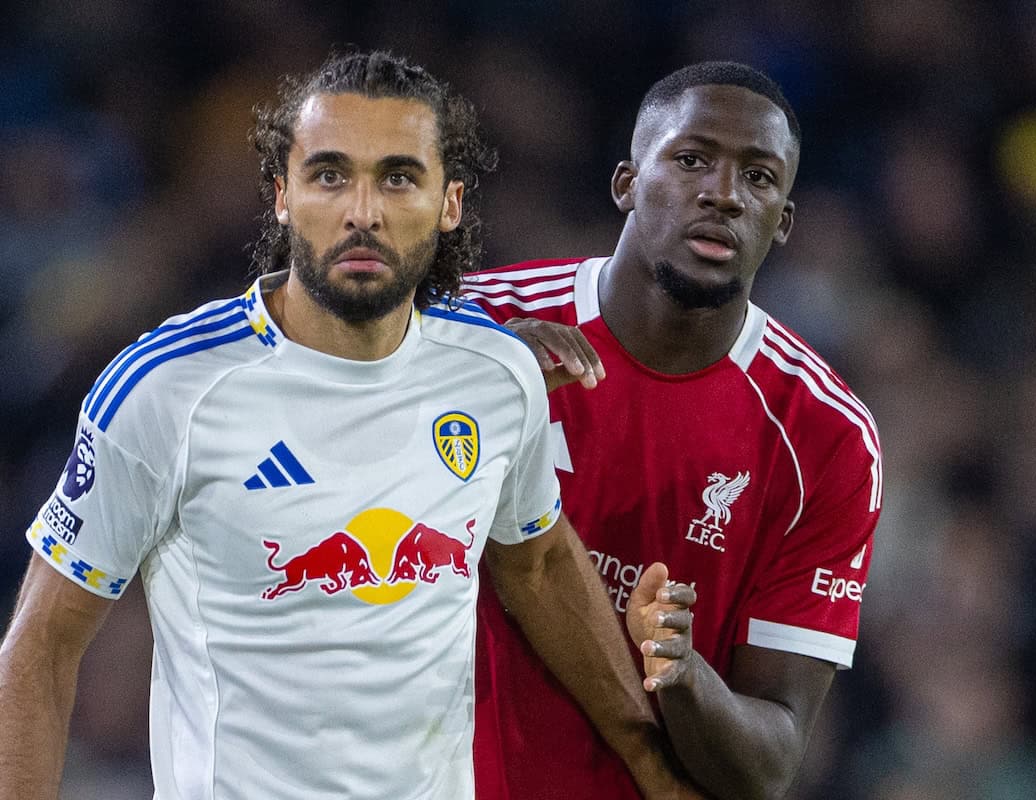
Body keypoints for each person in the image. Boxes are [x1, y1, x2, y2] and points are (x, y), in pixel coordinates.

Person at [0, 50, 696, 800]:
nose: (362, 212)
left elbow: (537, 562)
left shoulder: (495, 375)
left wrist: (653, 765)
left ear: (450, 202)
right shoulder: (168, 389)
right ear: (281, 196)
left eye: (398, 177)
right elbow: (40, 645)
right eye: (329, 175)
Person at [465, 62, 882, 800]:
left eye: (758, 178)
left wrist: (684, 675)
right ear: (627, 182)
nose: (723, 194)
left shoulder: (826, 437)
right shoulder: (477, 330)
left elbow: (771, 763)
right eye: (691, 160)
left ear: (782, 220)